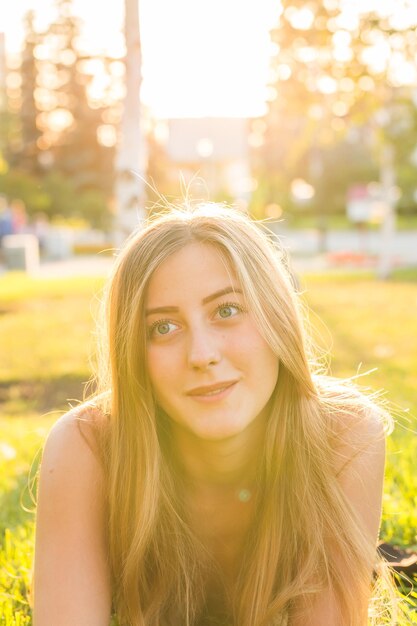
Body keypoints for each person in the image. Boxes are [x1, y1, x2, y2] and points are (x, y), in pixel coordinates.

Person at [33, 203, 391, 626]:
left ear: (277, 317)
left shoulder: (345, 435)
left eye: (227, 311)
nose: (202, 355)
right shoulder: (87, 446)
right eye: (164, 327)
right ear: (133, 353)